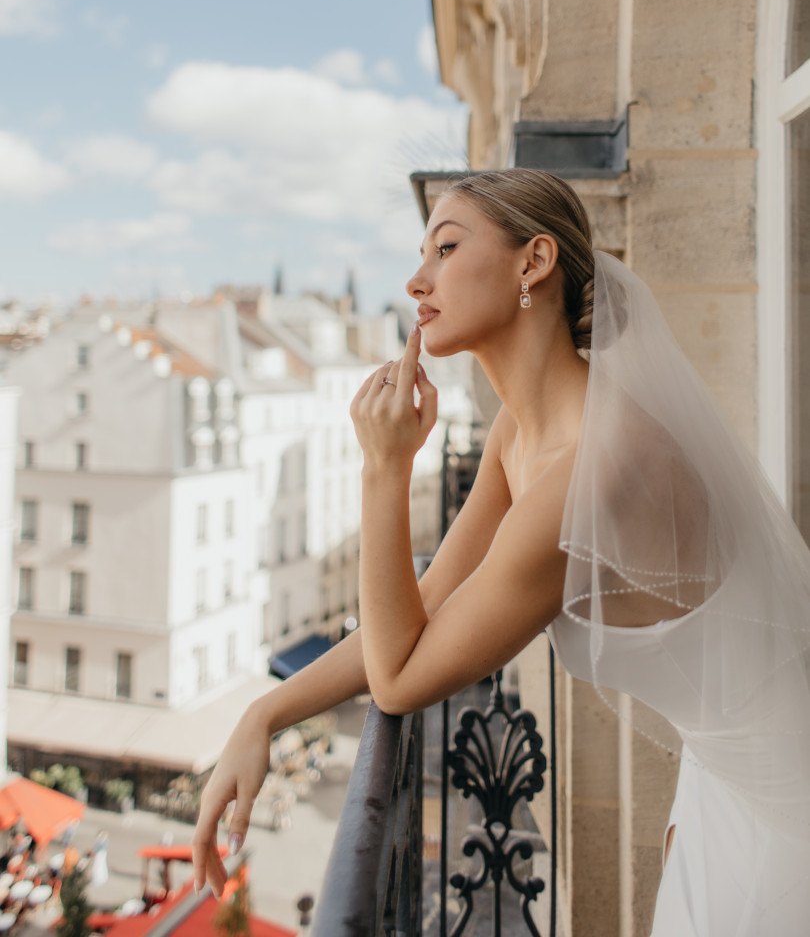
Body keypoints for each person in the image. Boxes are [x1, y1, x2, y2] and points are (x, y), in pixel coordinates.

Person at [193, 169, 810, 934]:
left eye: (446, 248)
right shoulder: (521, 432)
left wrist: (384, 469)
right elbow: (417, 616)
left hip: (788, 810)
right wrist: (265, 711)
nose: (418, 281)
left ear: (534, 262)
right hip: (728, 779)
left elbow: (399, 679)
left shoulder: (592, 469)